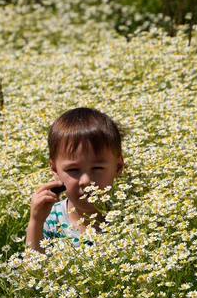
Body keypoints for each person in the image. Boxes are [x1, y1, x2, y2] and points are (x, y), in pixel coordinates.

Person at [26, 107, 125, 254]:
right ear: (55, 170)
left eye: (97, 168)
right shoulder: (50, 218)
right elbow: (32, 271)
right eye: (73, 170)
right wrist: (35, 222)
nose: (86, 181)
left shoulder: (126, 215)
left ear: (118, 167)